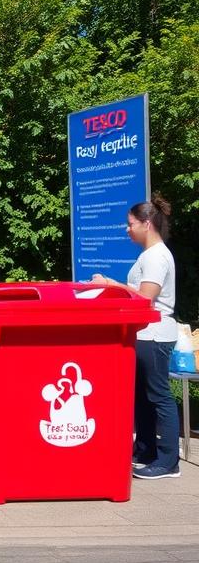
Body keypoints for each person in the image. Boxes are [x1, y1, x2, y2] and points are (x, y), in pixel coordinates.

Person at [92, 195, 179, 479]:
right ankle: (145, 449)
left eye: (130, 224)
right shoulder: (148, 254)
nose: (126, 229)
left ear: (147, 223)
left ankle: (168, 461)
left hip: (155, 334)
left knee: (158, 396)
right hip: (143, 333)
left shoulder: (156, 256)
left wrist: (112, 285)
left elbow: (145, 298)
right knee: (142, 396)